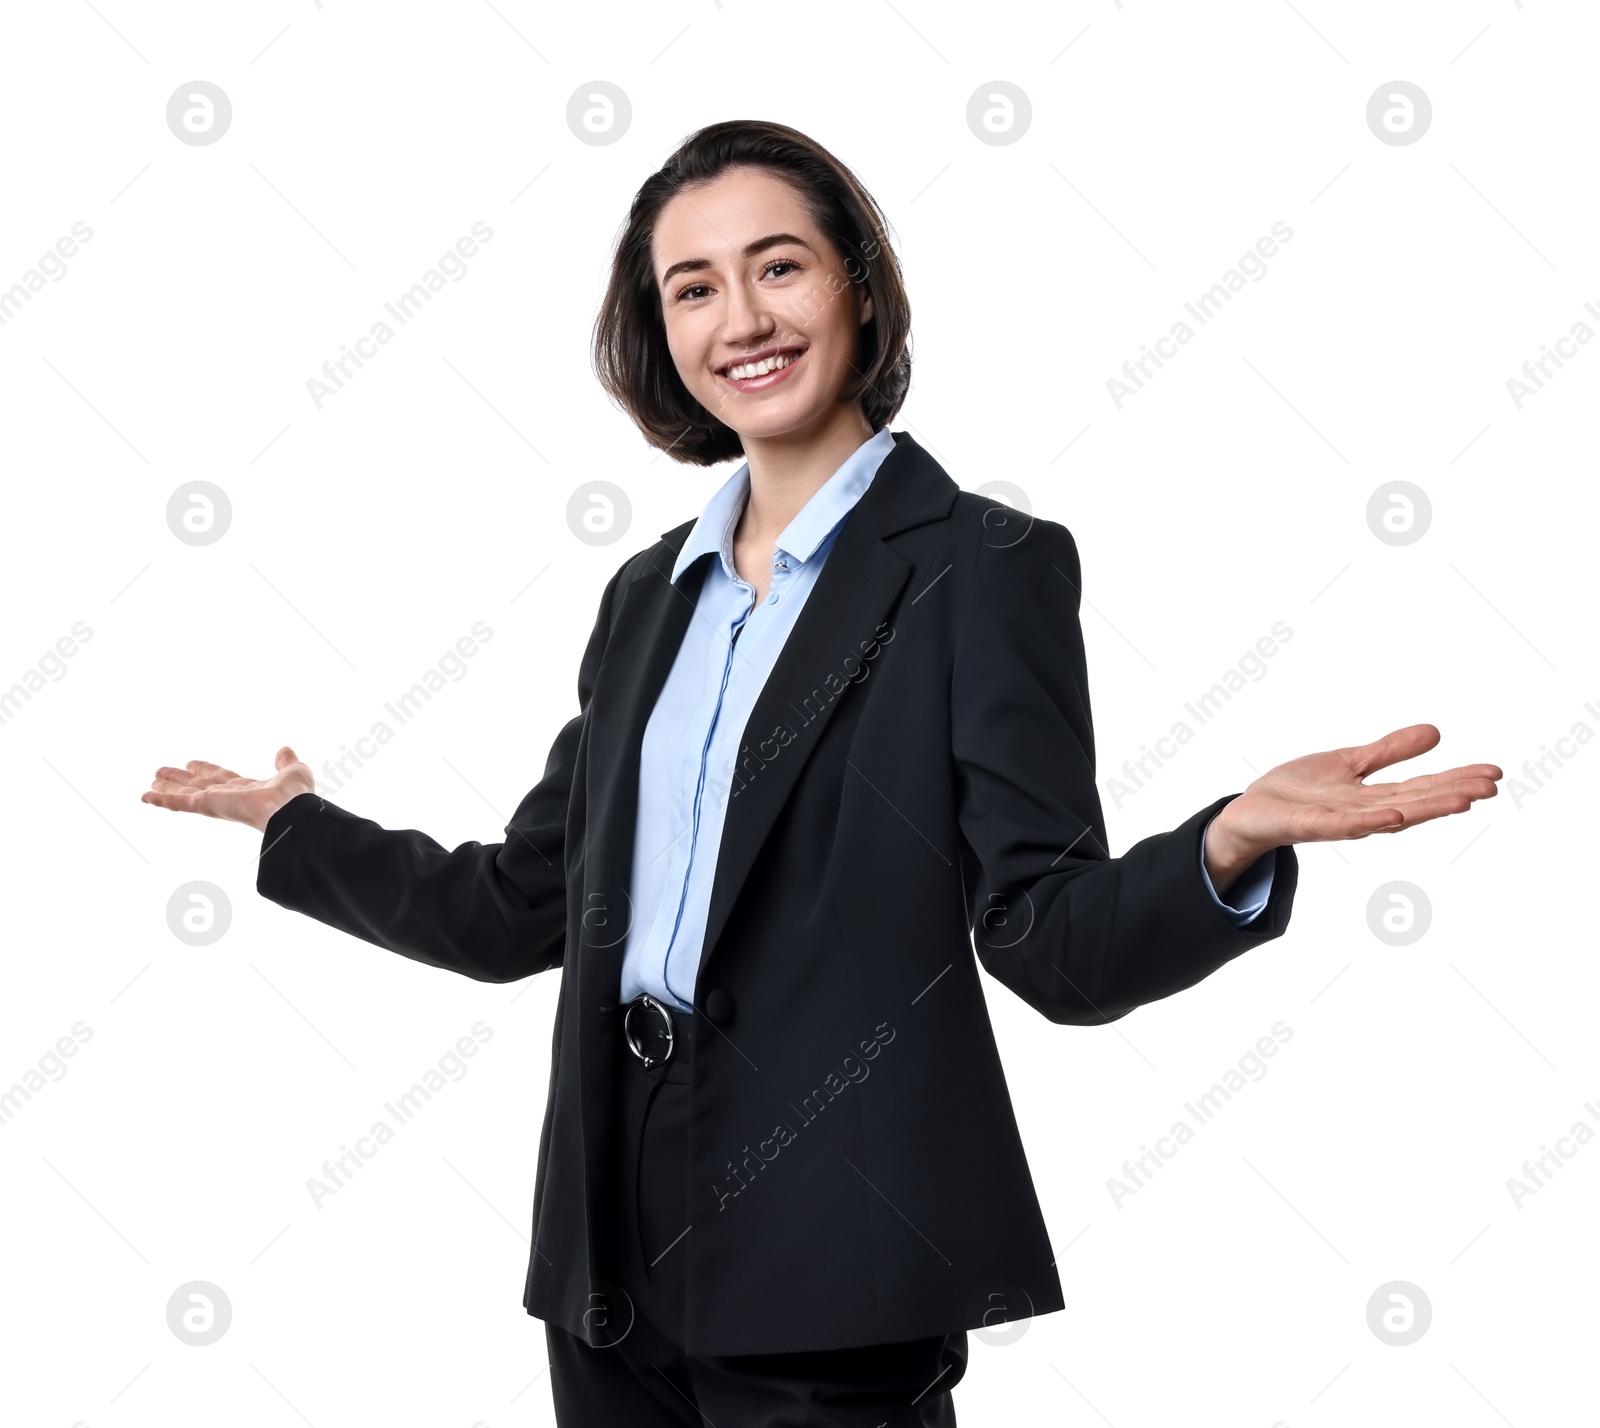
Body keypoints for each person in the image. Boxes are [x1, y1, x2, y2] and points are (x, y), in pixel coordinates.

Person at [140, 119, 1502, 1426]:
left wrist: (1228, 846)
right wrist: (299, 828)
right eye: (694, 287)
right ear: (660, 337)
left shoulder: (982, 568)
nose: (741, 319)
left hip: (838, 1253)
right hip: (607, 1258)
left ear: (857, 283)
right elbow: (515, 908)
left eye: (778, 265)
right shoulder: (644, 602)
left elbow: (1052, 941)